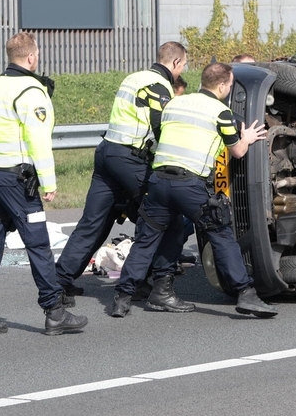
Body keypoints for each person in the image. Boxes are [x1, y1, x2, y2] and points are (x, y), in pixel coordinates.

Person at [110, 62, 277, 319]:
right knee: (220, 233)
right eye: (229, 86)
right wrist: (247, 137)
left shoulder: (175, 103)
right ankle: (246, 294)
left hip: (158, 182)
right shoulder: (221, 112)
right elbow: (238, 151)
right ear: (222, 86)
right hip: (189, 186)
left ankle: (126, 298)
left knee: (152, 239)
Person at [0, 32, 88, 336]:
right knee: (38, 246)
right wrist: (48, 181)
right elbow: (38, 139)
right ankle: (54, 312)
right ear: (32, 57)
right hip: (18, 182)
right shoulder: (31, 92)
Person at [53, 42, 188, 301]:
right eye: (182, 66)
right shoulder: (159, 86)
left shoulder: (133, 78)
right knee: (161, 217)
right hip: (130, 159)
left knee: (94, 223)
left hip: (107, 154)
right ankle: (146, 284)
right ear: (174, 63)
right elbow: (162, 128)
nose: (181, 71)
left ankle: (59, 282)